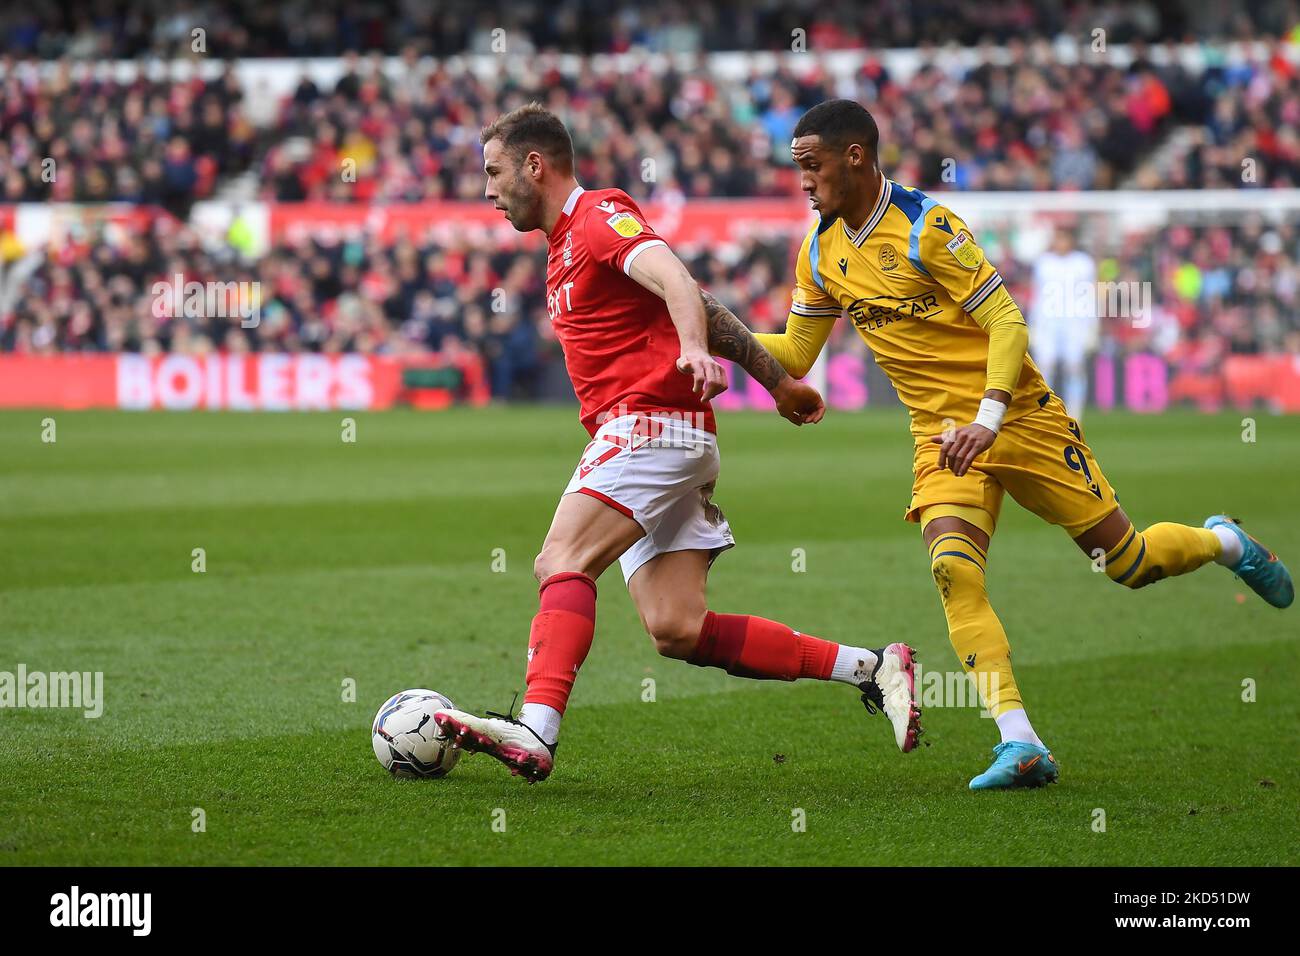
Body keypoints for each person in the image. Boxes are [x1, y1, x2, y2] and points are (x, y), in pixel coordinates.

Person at [748, 99, 1293, 790]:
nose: (802, 181)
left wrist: (989, 414)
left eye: (810, 165)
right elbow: (796, 351)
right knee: (954, 571)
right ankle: (1020, 742)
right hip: (941, 440)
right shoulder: (819, 251)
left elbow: (1006, 321)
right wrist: (718, 333)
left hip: (1020, 419)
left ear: (854, 156)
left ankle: (1225, 543)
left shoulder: (927, 227)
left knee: (1128, 563)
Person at [433, 103, 924, 782]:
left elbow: (673, 277)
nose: (487, 190)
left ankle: (536, 731)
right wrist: (778, 381)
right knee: (678, 628)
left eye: (493, 172)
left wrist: (691, 347)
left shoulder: (598, 215)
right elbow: (706, 300)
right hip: (668, 440)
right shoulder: (560, 250)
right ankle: (872, 666)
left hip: (650, 426)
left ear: (534, 165)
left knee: (561, 560)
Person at [1029, 225, 1097, 418]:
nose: (1060, 243)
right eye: (1057, 238)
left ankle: (1075, 414)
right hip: (1047, 322)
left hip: (1075, 322)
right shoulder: (1044, 263)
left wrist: (1093, 326)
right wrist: (1032, 324)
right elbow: (1037, 295)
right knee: (1045, 367)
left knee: (1074, 367)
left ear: (1071, 240)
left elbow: (1090, 295)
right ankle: (1047, 412)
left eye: (1063, 238)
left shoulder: (1084, 263)